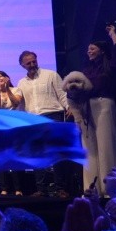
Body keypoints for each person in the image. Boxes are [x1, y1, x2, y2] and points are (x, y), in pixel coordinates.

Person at [72, 25, 116, 193]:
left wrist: (112, 33)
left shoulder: (110, 66)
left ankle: (110, 188)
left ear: (102, 50)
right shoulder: (87, 69)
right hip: (87, 108)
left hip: (104, 105)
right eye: (88, 49)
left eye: (92, 48)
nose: (89, 51)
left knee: (106, 146)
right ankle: (92, 188)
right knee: (89, 149)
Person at [16, 50, 72, 197]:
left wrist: (69, 107)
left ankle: (60, 188)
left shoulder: (51, 74)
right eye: (28, 63)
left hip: (53, 115)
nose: (32, 64)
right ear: (22, 65)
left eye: (34, 61)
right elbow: (21, 105)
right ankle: (41, 189)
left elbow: (62, 94)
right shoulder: (21, 83)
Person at [0, 70, 25, 195]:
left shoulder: (16, 89)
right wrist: (0, 91)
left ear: (7, 78)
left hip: (14, 126)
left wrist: (7, 90)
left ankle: (18, 188)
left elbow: (16, 103)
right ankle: (4, 188)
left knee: (14, 156)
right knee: (1, 157)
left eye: (0, 76)